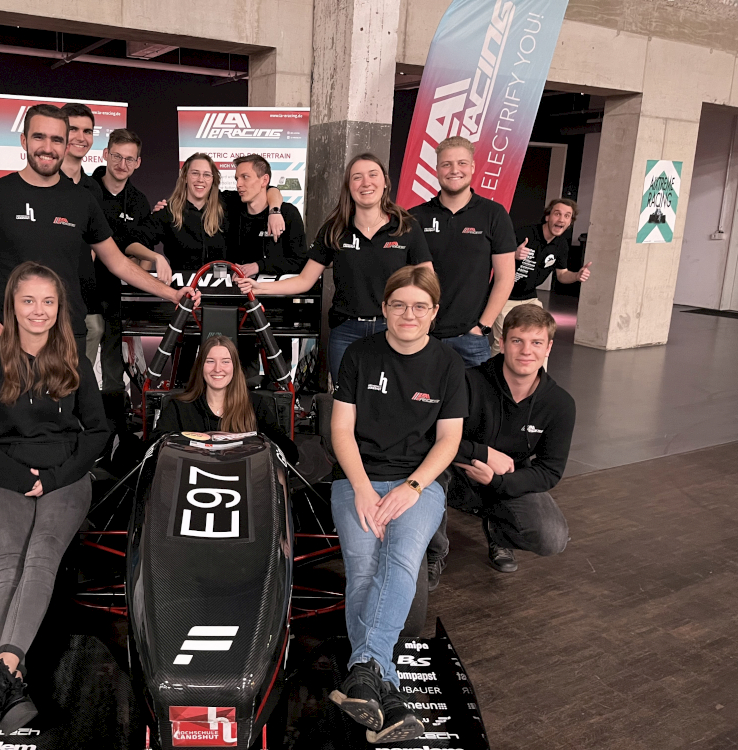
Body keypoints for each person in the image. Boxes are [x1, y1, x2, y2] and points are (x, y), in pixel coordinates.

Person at [0, 262, 110, 733]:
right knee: (9, 566)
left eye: (48, 301)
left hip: (66, 477)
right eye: (28, 301)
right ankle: (12, 677)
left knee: (41, 557)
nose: (38, 311)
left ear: (59, 308)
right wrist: (19, 478)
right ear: (13, 306)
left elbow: (98, 431)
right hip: (10, 476)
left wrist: (55, 477)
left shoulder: (74, 360)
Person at [327, 265, 465, 744]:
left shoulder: (448, 363)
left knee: (402, 561)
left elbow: (449, 440)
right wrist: (364, 489)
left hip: (419, 484)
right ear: (384, 308)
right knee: (364, 566)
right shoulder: (359, 355)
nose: (410, 314)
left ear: (434, 312)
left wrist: (411, 487)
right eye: (400, 304)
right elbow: (341, 430)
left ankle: (364, 670)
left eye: (420, 306)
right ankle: (386, 691)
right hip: (356, 479)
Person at [0, 103, 198, 355]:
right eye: (39, 137)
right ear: (24, 141)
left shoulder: (83, 200)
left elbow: (118, 262)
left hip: (68, 336)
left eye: (57, 140)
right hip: (12, 337)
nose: (48, 148)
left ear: (65, 146)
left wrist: (172, 294)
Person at [237, 153, 432, 384]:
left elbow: (427, 282)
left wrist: (420, 323)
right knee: (344, 398)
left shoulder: (406, 227)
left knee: (388, 397)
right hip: (346, 331)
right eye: (357, 177)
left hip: (392, 329)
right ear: (349, 186)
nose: (366, 183)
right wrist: (260, 288)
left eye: (373, 175)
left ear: (385, 182)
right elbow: (304, 280)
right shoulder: (335, 229)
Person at [447, 304, 574, 573]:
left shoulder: (560, 404)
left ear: (548, 348)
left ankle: (498, 532)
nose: (526, 351)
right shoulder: (468, 383)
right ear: (502, 343)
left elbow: (549, 471)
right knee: (423, 480)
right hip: (455, 471)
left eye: (536, 342)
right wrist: (484, 454)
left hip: (507, 480)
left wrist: (497, 482)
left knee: (552, 538)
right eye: (517, 341)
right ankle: (434, 552)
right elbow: (432, 438)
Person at [410, 136, 516, 368]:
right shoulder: (415, 217)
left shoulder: (494, 214)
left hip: (471, 340)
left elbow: (505, 277)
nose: (454, 170)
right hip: (422, 335)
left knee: (473, 393)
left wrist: (483, 327)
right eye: (446, 164)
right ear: (437, 169)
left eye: (462, 163)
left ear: (473, 167)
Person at [125, 153, 285, 279]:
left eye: (207, 175)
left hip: (226, 297)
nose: (200, 180)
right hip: (183, 296)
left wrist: (274, 211)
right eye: (195, 173)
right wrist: (156, 257)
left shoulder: (228, 203)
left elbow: (269, 190)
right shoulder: (169, 212)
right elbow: (130, 243)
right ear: (185, 177)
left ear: (213, 179)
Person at [153, 334, 299, 465]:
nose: (217, 369)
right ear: (200, 367)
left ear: (235, 367)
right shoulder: (179, 406)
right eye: (210, 361)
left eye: (225, 362)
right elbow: (151, 449)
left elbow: (290, 454)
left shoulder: (256, 405)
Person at [90, 129, 152, 393]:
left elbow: (143, 257)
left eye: (129, 159)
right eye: (116, 156)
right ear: (106, 154)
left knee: (114, 370)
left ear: (138, 163)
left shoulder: (139, 202)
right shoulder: (85, 189)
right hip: (84, 291)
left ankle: (114, 412)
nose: (122, 164)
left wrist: (133, 289)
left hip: (118, 293)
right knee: (79, 362)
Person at [492, 197, 592, 355]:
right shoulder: (525, 234)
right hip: (504, 297)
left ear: (570, 222)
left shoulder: (561, 245)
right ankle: (494, 370)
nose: (561, 219)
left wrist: (576, 276)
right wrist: (513, 254)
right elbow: (493, 256)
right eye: (557, 214)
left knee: (540, 342)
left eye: (567, 216)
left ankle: (538, 372)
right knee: (504, 344)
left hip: (530, 298)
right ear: (547, 216)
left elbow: (562, 274)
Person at [59, 103, 105, 366]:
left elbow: (95, 241)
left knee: (94, 330)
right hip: (53, 287)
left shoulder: (93, 188)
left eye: (87, 131)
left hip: (85, 287)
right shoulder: (45, 182)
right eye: (73, 129)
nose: (81, 137)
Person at [228, 154, 308, 278]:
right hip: (237, 288)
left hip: (276, 289)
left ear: (264, 180)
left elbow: (300, 262)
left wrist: (258, 266)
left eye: (245, 177)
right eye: (237, 178)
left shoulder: (288, 213)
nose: (238, 184)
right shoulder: (232, 207)